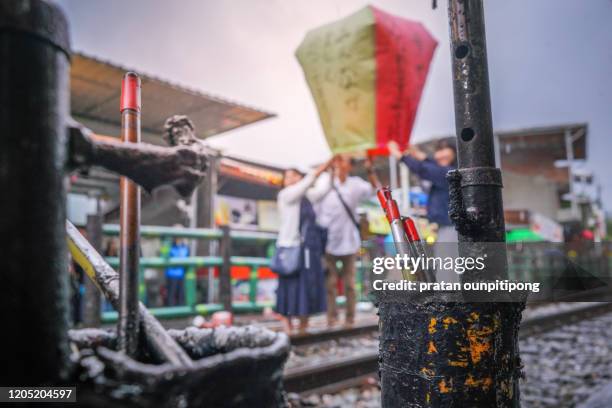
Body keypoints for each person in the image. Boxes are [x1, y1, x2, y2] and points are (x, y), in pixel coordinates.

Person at [318, 154, 380, 327]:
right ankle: (331, 318)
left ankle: (350, 318)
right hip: (328, 243)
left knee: (350, 284)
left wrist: (370, 170)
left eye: (342, 161)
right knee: (330, 284)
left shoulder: (355, 184)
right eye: (337, 161)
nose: (339, 163)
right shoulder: (325, 183)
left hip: (349, 241)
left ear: (350, 166)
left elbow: (375, 189)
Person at [275, 160, 333, 333]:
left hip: (307, 250)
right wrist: (318, 170)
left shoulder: (307, 196)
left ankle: (303, 325)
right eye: (287, 176)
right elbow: (305, 184)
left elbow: (322, 190)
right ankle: (287, 324)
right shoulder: (286, 195)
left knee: (306, 286)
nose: (289, 179)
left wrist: (328, 171)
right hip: (290, 249)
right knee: (287, 287)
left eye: (293, 176)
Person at [388, 140, 458, 281]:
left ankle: (451, 300)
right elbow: (432, 167)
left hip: (451, 228)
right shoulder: (449, 171)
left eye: (445, 149)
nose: (440, 154)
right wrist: (419, 155)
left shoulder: (450, 173)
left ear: (455, 153)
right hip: (447, 227)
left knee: (448, 273)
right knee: (447, 269)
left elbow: (425, 170)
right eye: (439, 150)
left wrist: (400, 156)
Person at [165, 237, 190, 306]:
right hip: (171, 274)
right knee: (171, 295)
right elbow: (164, 256)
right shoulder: (170, 246)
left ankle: (180, 314)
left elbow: (187, 258)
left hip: (181, 274)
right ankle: (171, 314)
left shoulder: (185, 247)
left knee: (181, 295)